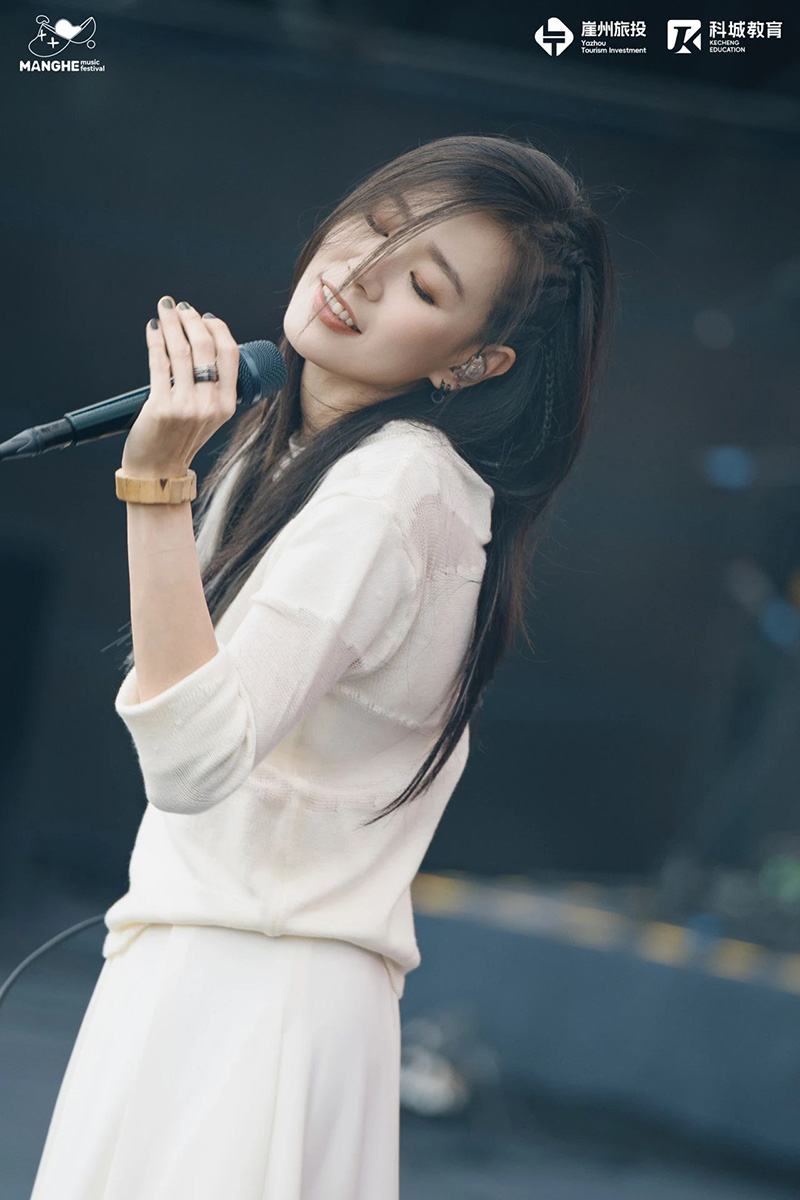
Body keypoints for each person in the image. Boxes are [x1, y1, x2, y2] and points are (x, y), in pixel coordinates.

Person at [30, 132, 616, 1200]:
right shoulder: (292, 444)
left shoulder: (388, 491)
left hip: (253, 997)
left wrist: (154, 484)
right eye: (374, 227)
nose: (361, 273)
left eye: (423, 285)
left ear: (472, 362)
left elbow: (193, 760)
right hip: (216, 972)